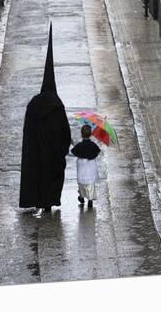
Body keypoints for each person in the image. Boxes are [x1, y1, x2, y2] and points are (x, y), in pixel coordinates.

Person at [19, 23, 71, 215]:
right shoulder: (58, 107)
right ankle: (49, 202)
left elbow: (27, 133)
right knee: (51, 175)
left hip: (37, 155)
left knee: (38, 174)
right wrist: (63, 147)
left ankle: (36, 199)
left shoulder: (33, 104)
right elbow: (65, 133)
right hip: (52, 155)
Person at [71, 125, 100, 208]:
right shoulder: (93, 145)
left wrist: (72, 144)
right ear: (90, 134)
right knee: (90, 185)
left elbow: (73, 152)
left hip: (81, 168)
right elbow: (97, 152)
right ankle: (90, 200)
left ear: (81, 134)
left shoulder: (79, 146)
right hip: (91, 168)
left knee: (81, 184)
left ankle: (81, 196)